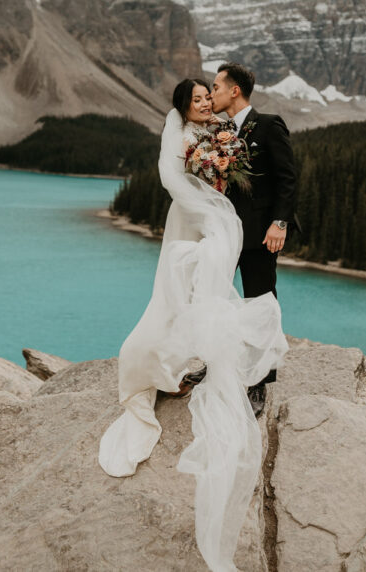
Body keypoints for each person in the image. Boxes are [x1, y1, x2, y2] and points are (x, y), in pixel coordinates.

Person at [99, 77, 288, 572]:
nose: (207, 101)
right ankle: (178, 359)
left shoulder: (229, 129)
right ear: (185, 106)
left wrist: (229, 182)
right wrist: (210, 193)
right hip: (195, 219)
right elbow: (174, 178)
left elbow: (274, 178)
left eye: (212, 94)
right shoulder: (184, 136)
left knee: (212, 291)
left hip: (224, 222)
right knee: (185, 292)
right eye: (200, 98)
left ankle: (202, 358)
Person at [211, 62, 300, 415]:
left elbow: (287, 178)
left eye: (217, 87)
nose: (212, 93)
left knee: (260, 302)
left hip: (260, 233)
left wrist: (280, 222)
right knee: (213, 296)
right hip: (223, 231)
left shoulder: (267, 125)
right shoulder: (216, 133)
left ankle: (260, 381)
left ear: (235, 90)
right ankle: (213, 363)